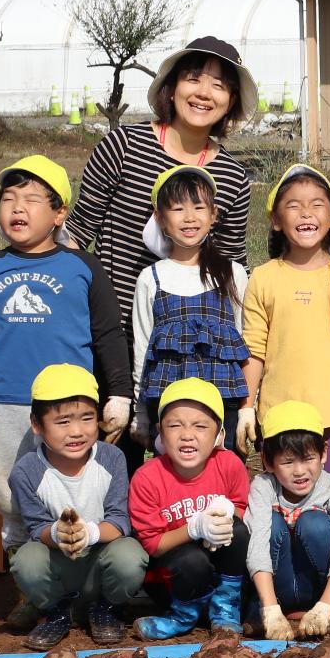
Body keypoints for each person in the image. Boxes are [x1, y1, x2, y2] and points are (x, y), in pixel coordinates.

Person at [64, 36, 257, 466]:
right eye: (193, 79)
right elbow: (76, 236)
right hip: (112, 334)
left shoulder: (232, 177)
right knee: (113, 461)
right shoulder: (123, 147)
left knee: (195, 466)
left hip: (193, 348)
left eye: (220, 86)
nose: (204, 93)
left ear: (231, 103)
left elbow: (232, 263)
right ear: (171, 88)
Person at [0, 156, 132, 546]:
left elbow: (108, 335)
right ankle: (27, 578)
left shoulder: (84, 266)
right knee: (11, 495)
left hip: (70, 406)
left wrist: (118, 395)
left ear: (59, 213)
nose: (17, 208)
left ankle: (85, 581)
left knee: (76, 491)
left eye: (32, 199)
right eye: (8, 199)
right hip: (6, 401)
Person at [240, 165, 330, 478]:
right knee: (279, 500)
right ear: (275, 220)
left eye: (316, 205)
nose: (306, 213)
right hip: (278, 416)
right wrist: (247, 406)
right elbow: (254, 348)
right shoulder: (264, 277)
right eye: (293, 205)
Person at [5, 364, 144, 650]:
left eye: (87, 418)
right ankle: (57, 611)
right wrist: (58, 534)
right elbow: (36, 528)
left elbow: (119, 519)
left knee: (130, 556)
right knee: (26, 561)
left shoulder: (112, 459)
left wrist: (89, 533)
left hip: (100, 562)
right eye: (63, 421)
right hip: (59, 565)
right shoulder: (26, 471)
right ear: (36, 424)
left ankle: (106, 608)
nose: (77, 431)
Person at [130, 165, 248, 448]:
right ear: (159, 218)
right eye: (178, 209)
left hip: (224, 399)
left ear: (214, 214)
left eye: (198, 207)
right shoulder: (151, 278)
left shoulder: (232, 273)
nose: (190, 218)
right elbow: (142, 348)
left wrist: (247, 408)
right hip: (169, 404)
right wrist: (140, 413)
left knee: (224, 476)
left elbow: (245, 339)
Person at [129, 377, 252, 640]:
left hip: (218, 563)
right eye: (175, 425)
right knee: (191, 560)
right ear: (160, 433)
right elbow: (153, 544)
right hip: (170, 572)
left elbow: (240, 507)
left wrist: (224, 518)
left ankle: (225, 608)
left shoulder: (230, 464)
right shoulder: (147, 477)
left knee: (238, 530)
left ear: (219, 435)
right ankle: (182, 616)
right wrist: (196, 528)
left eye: (200, 426)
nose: (187, 435)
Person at [243, 400, 330, 640]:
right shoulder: (263, 487)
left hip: (318, 589)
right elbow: (258, 546)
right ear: (268, 461)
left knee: (314, 522)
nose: (299, 471)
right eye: (287, 462)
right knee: (271, 524)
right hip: (275, 588)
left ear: (324, 453)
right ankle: (264, 608)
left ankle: (326, 609)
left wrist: (325, 606)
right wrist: (270, 608)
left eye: (308, 459)